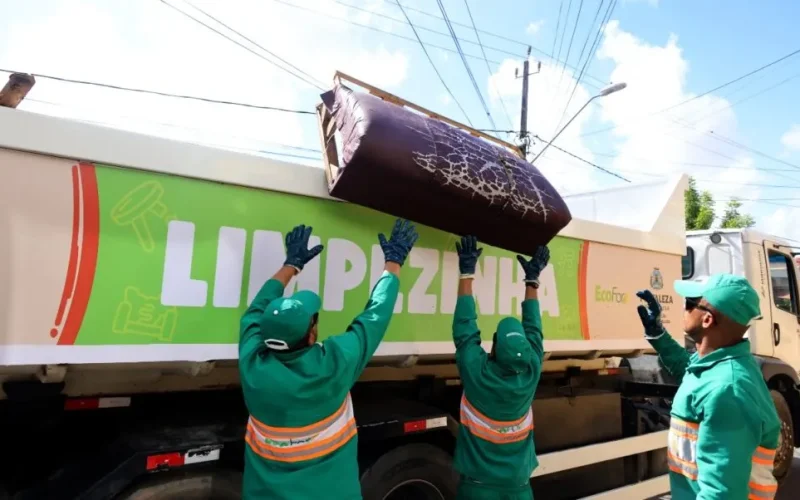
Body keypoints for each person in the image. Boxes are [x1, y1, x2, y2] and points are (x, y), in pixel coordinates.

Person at [238, 219, 418, 500]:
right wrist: (394, 262)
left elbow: (254, 311)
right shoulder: (334, 363)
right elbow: (375, 316)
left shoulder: (252, 364)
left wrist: (291, 264)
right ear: (311, 335)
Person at [636, 274, 781, 500]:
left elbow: (722, 493)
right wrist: (659, 336)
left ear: (707, 320)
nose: (684, 309)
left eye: (690, 303)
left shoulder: (728, 390)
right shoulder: (719, 368)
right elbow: (691, 373)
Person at [451, 235, 549, 500]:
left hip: (477, 490)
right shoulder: (531, 373)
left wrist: (467, 272)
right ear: (528, 352)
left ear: (493, 348)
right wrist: (533, 281)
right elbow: (534, 331)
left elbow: (465, 327)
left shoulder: (478, 374)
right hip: (519, 491)